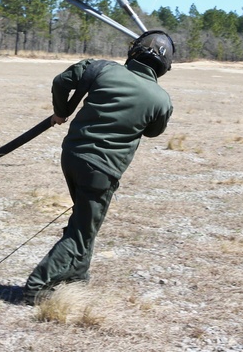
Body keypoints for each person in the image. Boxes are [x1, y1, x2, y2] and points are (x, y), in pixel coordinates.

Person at [23, 30, 175, 305]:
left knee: (85, 221)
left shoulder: (101, 68)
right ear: (165, 67)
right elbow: (153, 132)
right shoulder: (161, 100)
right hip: (102, 171)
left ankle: (77, 275)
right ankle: (38, 285)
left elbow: (62, 81)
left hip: (71, 156)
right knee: (82, 230)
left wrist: (61, 111)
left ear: (134, 51)